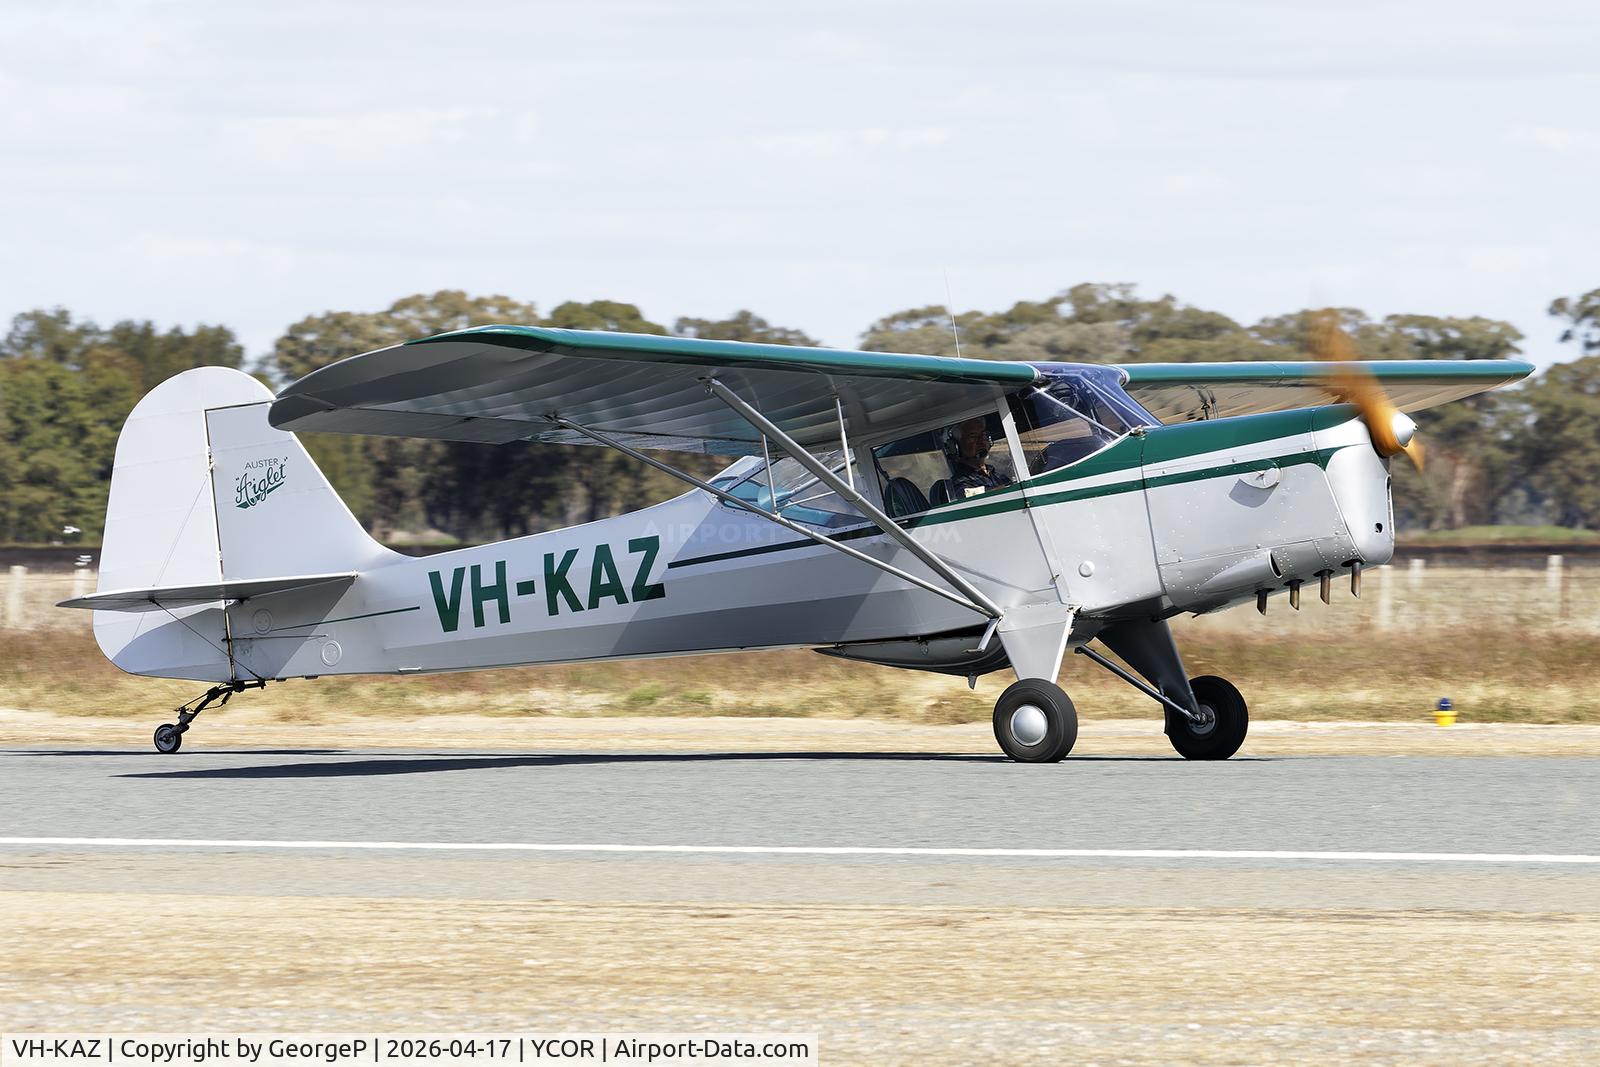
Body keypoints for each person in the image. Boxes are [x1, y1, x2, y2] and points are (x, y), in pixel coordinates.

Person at [932, 417, 1013, 504]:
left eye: (983, 435)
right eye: (973, 436)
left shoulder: (997, 475)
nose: (981, 441)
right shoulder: (958, 485)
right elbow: (971, 499)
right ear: (955, 446)